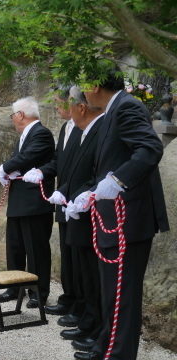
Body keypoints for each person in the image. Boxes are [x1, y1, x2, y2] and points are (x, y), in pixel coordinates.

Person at [69, 66, 169, 360]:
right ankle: (105, 349)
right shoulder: (115, 110)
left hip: (128, 219)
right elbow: (108, 164)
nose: (85, 93)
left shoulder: (127, 107)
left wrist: (118, 181)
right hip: (113, 217)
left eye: (85, 85)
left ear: (95, 86)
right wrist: (90, 193)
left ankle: (118, 355)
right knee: (112, 293)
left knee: (122, 296)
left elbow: (150, 148)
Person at [23, 87, 84, 326]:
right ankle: (68, 297)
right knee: (66, 250)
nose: (56, 107)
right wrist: (42, 171)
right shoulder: (65, 128)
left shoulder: (83, 128)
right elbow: (58, 161)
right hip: (62, 198)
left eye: (59, 102)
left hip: (77, 197)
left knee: (78, 254)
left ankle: (81, 303)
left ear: (74, 103)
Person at [54, 86, 104, 352]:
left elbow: (98, 171)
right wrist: (63, 191)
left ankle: (96, 325)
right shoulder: (80, 130)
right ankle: (89, 321)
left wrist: (86, 195)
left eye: (68, 106)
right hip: (75, 208)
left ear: (81, 107)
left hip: (93, 215)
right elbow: (72, 170)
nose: (67, 112)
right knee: (84, 270)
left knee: (94, 276)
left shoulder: (99, 129)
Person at [0, 96, 55, 307]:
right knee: (15, 247)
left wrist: (4, 167)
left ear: (21, 115)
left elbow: (27, 157)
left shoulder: (41, 133)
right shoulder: (23, 136)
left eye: (13, 115)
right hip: (18, 200)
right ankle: (14, 287)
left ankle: (38, 293)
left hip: (35, 203)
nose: (13, 119)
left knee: (36, 250)